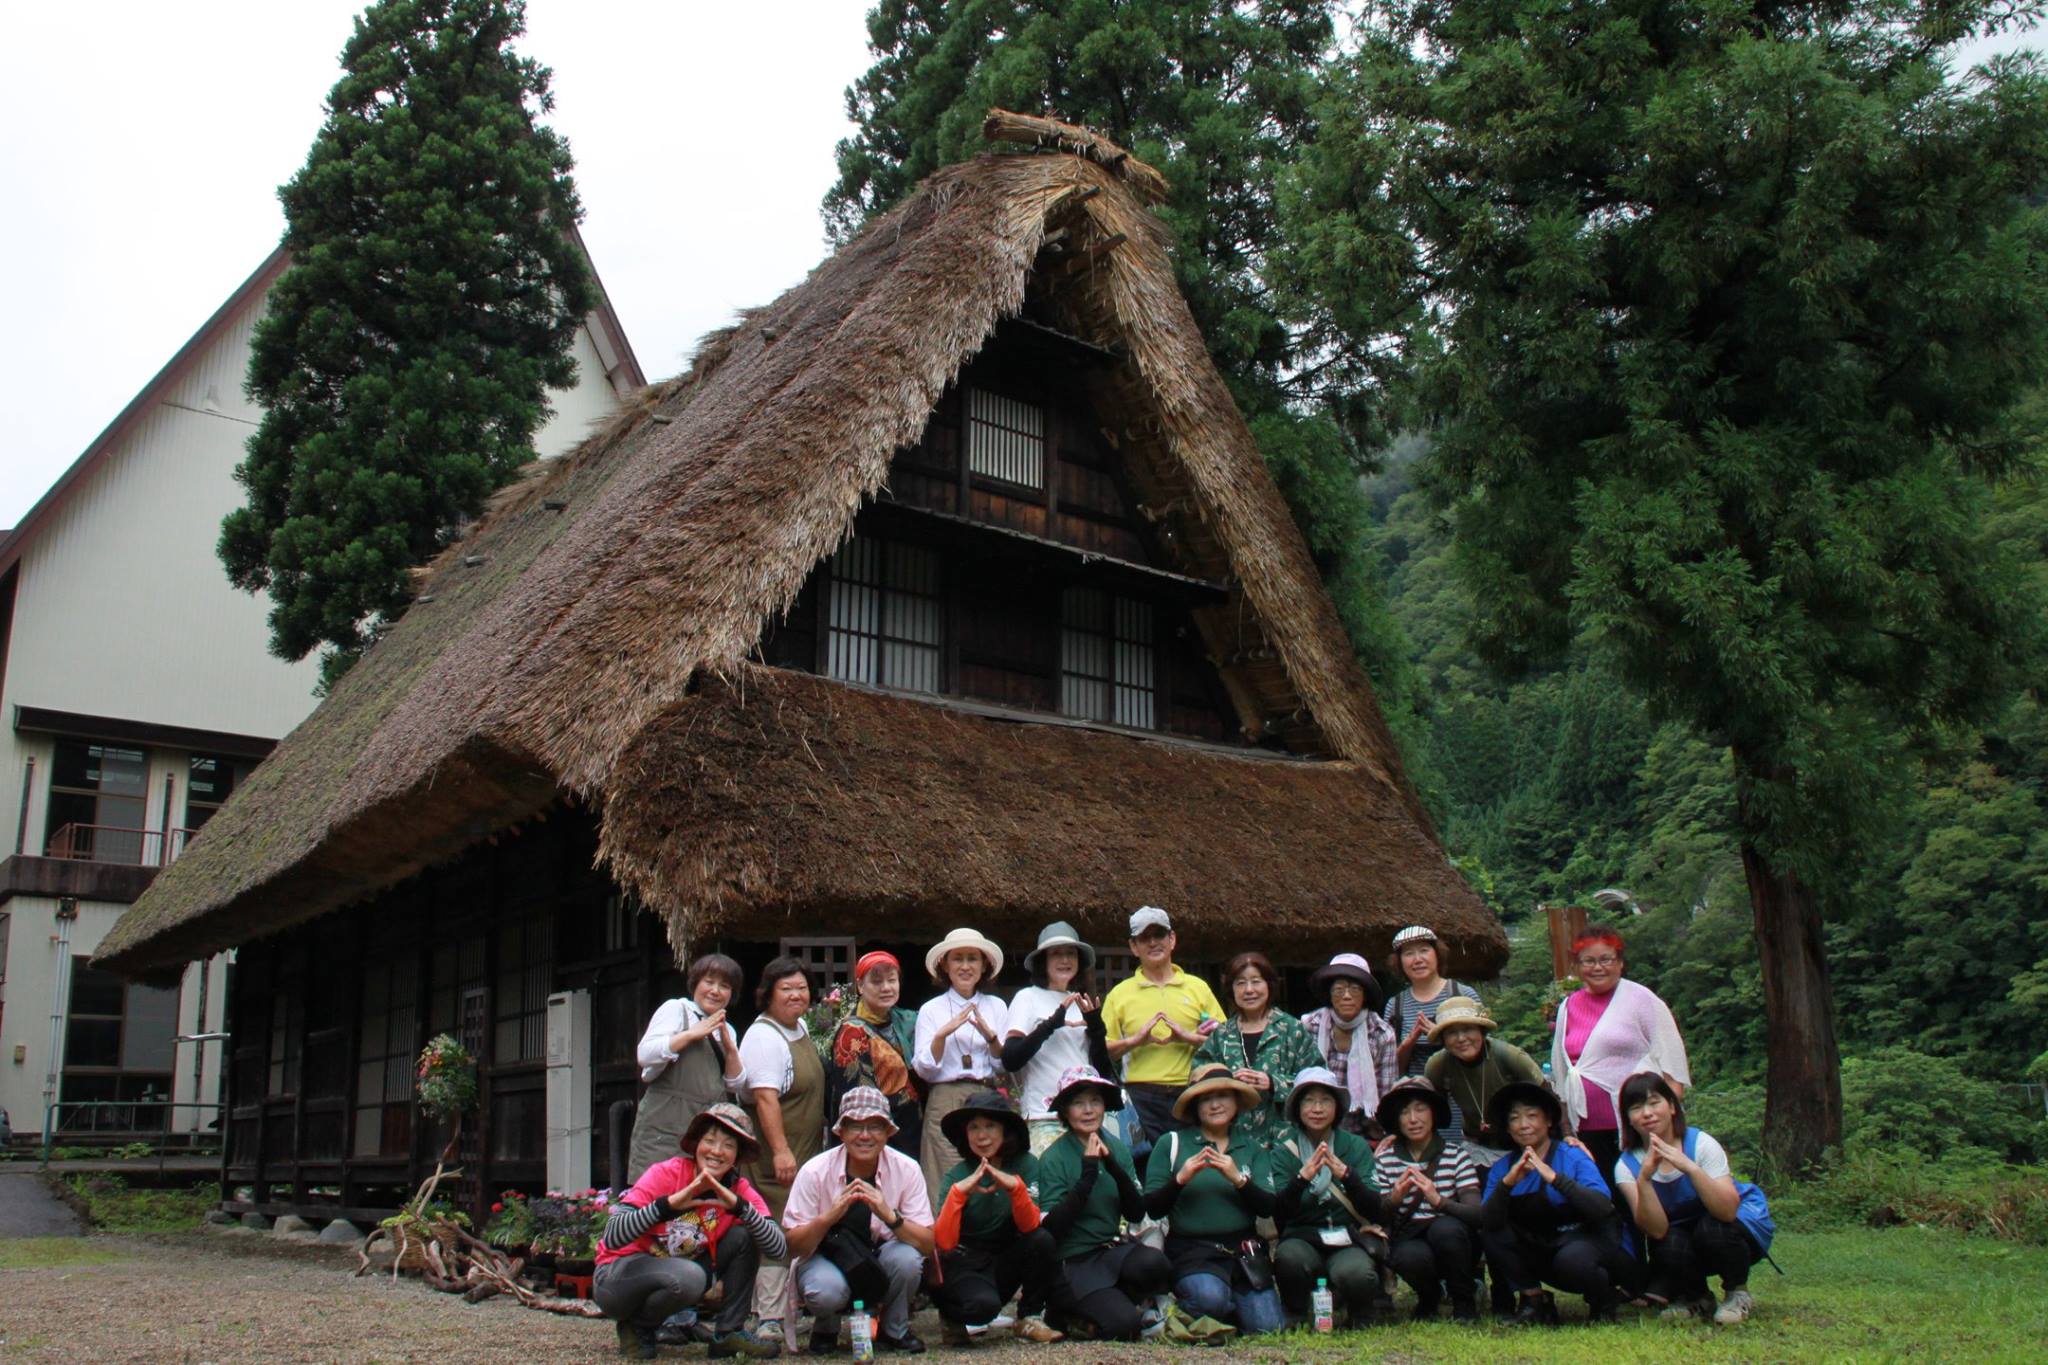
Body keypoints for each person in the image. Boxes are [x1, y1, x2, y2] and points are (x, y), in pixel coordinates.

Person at [596, 1103, 786, 1359]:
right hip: (618, 1279)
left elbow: (778, 1247)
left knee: (746, 1234)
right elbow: (612, 1235)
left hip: (680, 1273)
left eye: (728, 1145)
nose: (717, 1151)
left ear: (737, 1156)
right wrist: (668, 1205)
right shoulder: (665, 1174)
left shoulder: (738, 1190)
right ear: (697, 1144)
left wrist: (741, 1209)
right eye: (710, 1141)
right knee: (690, 1277)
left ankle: (729, 1333)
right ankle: (638, 1325)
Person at [783, 1087, 936, 1355]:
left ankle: (894, 1328)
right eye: (855, 1126)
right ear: (840, 1132)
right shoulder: (814, 1171)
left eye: (875, 1127)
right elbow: (793, 1246)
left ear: (889, 1132)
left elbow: (926, 1244)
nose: (865, 1135)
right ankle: (826, 1327)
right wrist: (829, 1217)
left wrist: (889, 1216)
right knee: (825, 1290)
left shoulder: (907, 1169)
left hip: (882, 1252)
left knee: (907, 1259)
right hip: (827, 1255)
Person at [1478, 1081, 1638, 1325]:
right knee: (1493, 1233)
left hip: (1593, 1244)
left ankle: (1604, 1301)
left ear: (1548, 1121)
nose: (1524, 1125)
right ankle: (1534, 1302)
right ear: (1508, 1128)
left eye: (1532, 1116)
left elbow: (1602, 1207)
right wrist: (1507, 1184)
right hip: (1544, 1247)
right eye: (1515, 1118)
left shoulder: (1572, 1156)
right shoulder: (1503, 1168)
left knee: (1573, 1260)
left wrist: (1554, 1178)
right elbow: (1488, 1221)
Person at [1033, 1064, 1174, 1341]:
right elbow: (1052, 1230)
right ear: (1065, 1111)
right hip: (1073, 1263)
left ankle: (1115, 1301)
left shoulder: (1118, 1148)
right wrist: (1087, 1175)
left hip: (1110, 1251)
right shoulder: (1054, 1157)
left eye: (1095, 1101)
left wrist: (1112, 1165)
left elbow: (1135, 1210)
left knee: (1156, 1264)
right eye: (1078, 1103)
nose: (1088, 1110)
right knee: (1124, 1327)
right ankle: (1068, 1311)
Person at [1141, 1063, 1284, 1335]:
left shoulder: (1252, 1147)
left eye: (1223, 1096)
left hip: (1243, 1251)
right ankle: (1198, 1305)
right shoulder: (1172, 1143)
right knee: (1210, 1299)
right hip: (1192, 1250)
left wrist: (1237, 1179)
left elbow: (1268, 1207)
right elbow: (1153, 1206)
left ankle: (1229, 1309)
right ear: (1195, 1106)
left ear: (1236, 1102)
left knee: (1268, 1327)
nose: (1215, 1104)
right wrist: (1180, 1178)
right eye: (1206, 1098)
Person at [1614, 1072, 1765, 1325]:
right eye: (1636, 1107)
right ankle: (1696, 1297)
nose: (1647, 1113)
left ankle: (1737, 1293)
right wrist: (1645, 1180)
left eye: (1654, 1103)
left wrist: (1690, 1168)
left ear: (1672, 1107)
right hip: (1681, 1236)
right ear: (1628, 1118)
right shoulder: (1626, 1166)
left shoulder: (1702, 1144)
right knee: (1667, 1243)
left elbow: (1727, 1211)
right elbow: (1657, 1230)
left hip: (1728, 1230)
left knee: (1713, 1228)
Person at [1550, 929, 1691, 1183]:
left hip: (1637, 1123)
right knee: (1604, 1196)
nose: (1598, 967)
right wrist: (1566, 1128)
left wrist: (1666, 1120)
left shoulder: (1641, 1000)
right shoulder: (1568, 1006)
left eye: (1606, 959)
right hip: (1587, 1128)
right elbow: (1561, 1072)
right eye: (1589, 961)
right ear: (1577, 966)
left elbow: (1672, 1066)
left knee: (1644, 1191)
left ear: (1621, 962)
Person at [932, 1090, 1064, 1344]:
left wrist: (1015, 1188)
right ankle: (952, 1317)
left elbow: (1030, 1226)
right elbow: (944, 1243)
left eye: (990, 1126)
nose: (982, 1136)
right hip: (967, 1261)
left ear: (1005, 1130)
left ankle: (1030, 1317)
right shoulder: (956, 1176)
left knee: (1042, 1239)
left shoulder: (1026, 1165)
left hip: (1005, 1257)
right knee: (981, 1308)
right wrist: (959, 1194)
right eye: (974, 1127)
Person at [739, 956, 825, 1343]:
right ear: (768, 994)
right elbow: (765, 1099)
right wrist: (780, 1150)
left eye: (802, 987)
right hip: (779, 1156)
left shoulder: (800, 1027)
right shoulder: (763, 1036)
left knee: (798, 1225)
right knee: (774, 1228)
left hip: (805, 1152)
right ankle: (768, 1316)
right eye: (786, 988)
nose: (796, 995)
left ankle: (790, 1310)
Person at [1266, 1066, 1383, 1328]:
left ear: (1337, 1108)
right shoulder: (1284, 1151)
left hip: (1346, 1236)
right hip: (1301, 1235)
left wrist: (1346, 1175)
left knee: (1356, 1273)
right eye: (1309, 1100)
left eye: (1325, 1100)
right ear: (1297, 1107)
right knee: (1290, 1259)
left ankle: (1360, 1312)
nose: (1317, 1109)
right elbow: (1280, 1213)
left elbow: (1374, 1207)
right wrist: (1302, 1179)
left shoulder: (1354, 1146)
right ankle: (1295, 1311)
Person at [1100, 906, 1225, 1149]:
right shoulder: (1120, 994)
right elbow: (1102, 1050)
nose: (1153, 943)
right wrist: (1136, 1041)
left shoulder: (1197, 988)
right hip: (1140, 1096)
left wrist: (1188, 1037)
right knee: (1148, 1170)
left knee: (1193, 1165)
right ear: (1133, 947)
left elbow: (1224, 1041)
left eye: (1159, 935)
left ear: (1172, 939)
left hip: (1191, 1092)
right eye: (1145, 938)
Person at [1369, 1077, 1481, 1322]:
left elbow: (1475, 1212)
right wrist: (1395, 1198)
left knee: (1446, 1229)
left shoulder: (1456, 1155)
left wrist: (1439, 1200)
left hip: (1453, 1236)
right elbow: (1377, 1215)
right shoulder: (1385, 1160)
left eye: (1420, 1109)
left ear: (1434, 1114)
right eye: (1405, 1112)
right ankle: (1428, 1297)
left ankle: (1464, 1301)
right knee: (1409, 1257)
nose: (1413, 1119)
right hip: (1409, 1234)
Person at [912, 928, 1009, 1209]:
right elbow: (924, 1069)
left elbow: (1003, 1064)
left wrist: (990, 1036)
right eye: (957, 959)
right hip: (945, 1096)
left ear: (983, 965)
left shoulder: (996, 1006)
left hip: (985, 1096)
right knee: (944, 1175)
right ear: (945, 965)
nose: (965, 966)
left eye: (972, 959)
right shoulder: (932, 1009)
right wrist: (942, 1035)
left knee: (988, 1169)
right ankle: (944, 1245)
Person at [630, 954, 746, 1184]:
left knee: (697, 1201)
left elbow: (734, 1085)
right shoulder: (677, 1010)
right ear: (695, 983)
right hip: (665, 1125)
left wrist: (731, 1050)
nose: (715, 990)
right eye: (709, 981)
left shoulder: (728, 1030)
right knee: (657, 1196)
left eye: (725, 986)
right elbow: (645, 1055)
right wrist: (692, 1034)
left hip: (706, 1133)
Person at [1191, 951, 1321, 1150]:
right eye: (1240, 983)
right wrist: (1227, 1084)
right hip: (1232, 1143)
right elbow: (1198, 1080)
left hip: (1285, 1142)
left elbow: (1317, 1081)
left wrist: (1273, 1083)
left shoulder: (1292, 1030)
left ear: (1269, 984)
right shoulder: (1222, 1035)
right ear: (1231, 989)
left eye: (1256, 981)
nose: (1249, 990)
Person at [1004, 921, 1113, 1155]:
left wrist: (1096, 1028)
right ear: (1043, 961)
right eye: (1056, 953)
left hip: (1086, 1117)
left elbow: (1102, 1071)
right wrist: (1052, 1024)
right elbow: (1011, 1059)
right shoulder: (1027, 998)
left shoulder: (1080, 1001)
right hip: (1044, 1115)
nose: (1064, 960)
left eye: (1070, 953)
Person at [1422, 997, 1546, 1161]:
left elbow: (1547, 1096)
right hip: (1476, 1143)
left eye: (1468, 1029)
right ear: (1443, 1040)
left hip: (1524, 1142)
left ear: (1481, 1031)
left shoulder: (1509, 1056)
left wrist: (1565, 1136)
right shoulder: (1438, 1065)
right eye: (1452, 1032)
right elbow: (1434, 1112)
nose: (1461, 1038)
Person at [828, 951, 922, 1159]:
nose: (886, 987)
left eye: (892, 980)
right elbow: (856, 1097)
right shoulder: (852, 1032)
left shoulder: (906, 1021)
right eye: (877, 982)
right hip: (875, 1136)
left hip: (909, 1130)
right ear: (860, 986)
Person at [1300, 953, 1399, 1136]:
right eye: (1339, 989)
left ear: (1365, 995)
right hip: (1310, 1127)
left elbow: (1386, 1094)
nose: (1346, 996)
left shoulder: (1382, 1034)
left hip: (1361, 1132)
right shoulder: (1308, 1026)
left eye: (1354, 989)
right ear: (1329, 994)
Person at [1382, 926, 1482, 1079]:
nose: (1417, 959)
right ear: (1400, 962)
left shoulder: (1464, 995)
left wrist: (1443, 1036)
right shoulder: (1394, 1005)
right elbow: (1389, 1068)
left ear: (1437, 954)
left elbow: (1484, 1052)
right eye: (1409, 953)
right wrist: (1408, 1043)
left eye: (1424, 950)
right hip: (1416, 1096)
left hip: (1462, 1094)